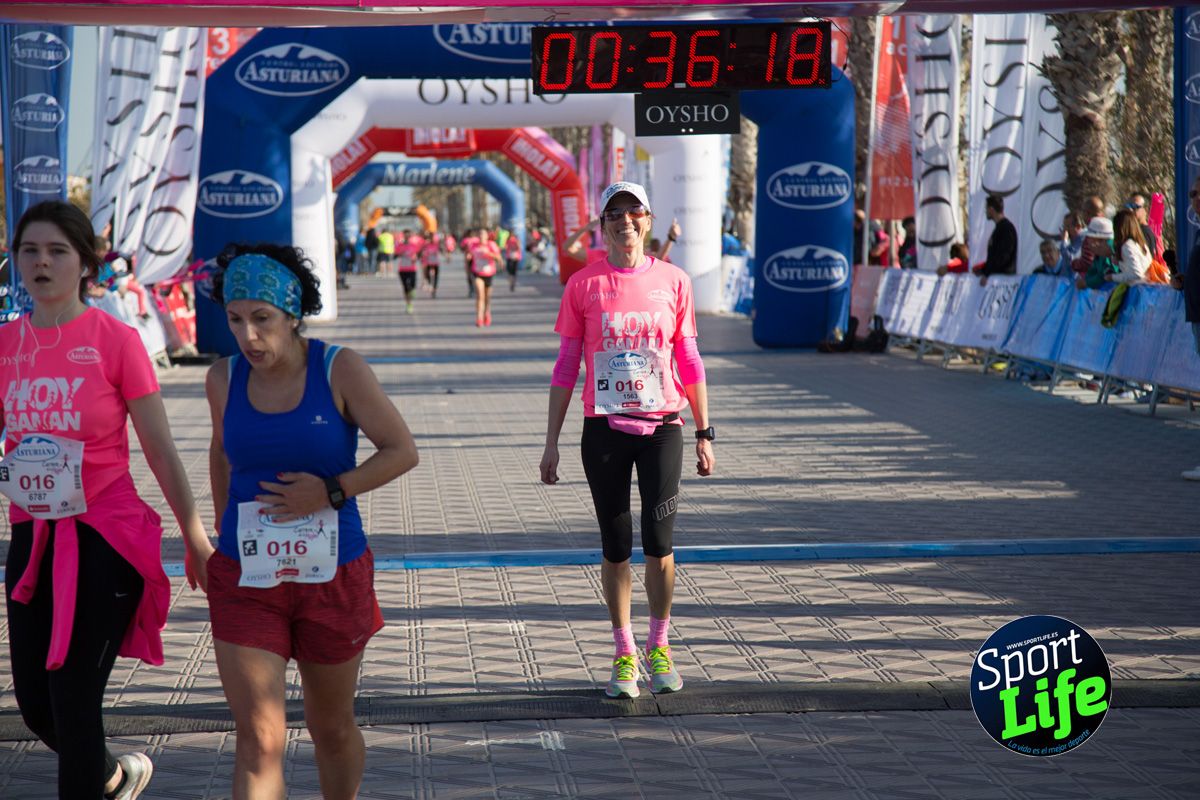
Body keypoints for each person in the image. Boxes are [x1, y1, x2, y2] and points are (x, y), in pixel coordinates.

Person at [2, 200, 213, 799]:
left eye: (57, 252)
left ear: (86, 264)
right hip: (32, 539)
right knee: (36, 705)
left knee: (73, 697)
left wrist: (194, 538)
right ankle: (115, 777)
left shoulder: (115, 340)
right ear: (15, 260)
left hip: (105, 537)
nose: (41, 263)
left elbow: (162, 451)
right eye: (29, 251)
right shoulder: (4, 345)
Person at [205, 243, 419, 798]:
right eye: (235, 319)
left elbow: (400, 450)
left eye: (262, 319)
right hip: (248, 581)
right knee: (259, 737)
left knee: (331, 729)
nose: (248, 336)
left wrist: (330, 490)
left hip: (333, 575)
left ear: (293, 315)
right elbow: (222, 453)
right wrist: (218, 538)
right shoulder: (223, 378)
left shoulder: (339, 367)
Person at [539, 181, 714, 700]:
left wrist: (705, 432)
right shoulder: (584, 285)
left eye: (633, 212)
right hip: (605, 430)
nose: (625, 221)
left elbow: (690, 358)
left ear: (648, 220)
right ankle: (624, 654)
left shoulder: (674, 281)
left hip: (664, 428)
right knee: (616, 548)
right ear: (604, 226)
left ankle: (660, 647)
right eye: (614, 214)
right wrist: (551, 442)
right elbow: (567, 365)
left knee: (659, 546)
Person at [973, 194, 1017, 285]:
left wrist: (987, 273)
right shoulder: (999, 228)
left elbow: (1003, 256)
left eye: (986, 209)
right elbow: (994, 257)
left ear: (991, 210)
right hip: (997, 279)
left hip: (1003, 282)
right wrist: (983, 270)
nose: (986, 212)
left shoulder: (1006, 228)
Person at [1103, 209, 1152, 285]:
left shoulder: (1128, 246)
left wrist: (1112, 277)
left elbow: (1136, 274)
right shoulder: (1141, 244)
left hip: (1138, 290)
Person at [470, 229, 501, 326]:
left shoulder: (491, 245)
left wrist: (488, 253)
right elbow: (469, 255)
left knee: (487, 297)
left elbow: (498, 257)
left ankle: (487, 312)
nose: (481, 236)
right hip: (477, 273)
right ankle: (479, 318)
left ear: (487, 236)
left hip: (489, 273)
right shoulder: (474, 245)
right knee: (480, 295)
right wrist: (468, 257)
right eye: (479, 234)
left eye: (483, 234)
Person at [395, 228, 419, 314]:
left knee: (412, 286)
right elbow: (395, 255)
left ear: (410, 236)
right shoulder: (399, 245)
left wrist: (415, 258)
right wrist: (400, 253)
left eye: (408, 235)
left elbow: (417, 256)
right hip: (402, 269)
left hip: (412, 269)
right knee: (405, 288)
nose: (407, 236)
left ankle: (412, 292)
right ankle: (409, 305)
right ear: (403, 235)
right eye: (405, 234)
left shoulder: (414, 245)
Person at [420, 232, 440, 299]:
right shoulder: (425, 245)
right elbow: (421, 253)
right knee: (428, 276)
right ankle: (429, 285)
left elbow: (441, 250)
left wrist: (447, 256)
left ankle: (434, 290)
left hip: (435, 263)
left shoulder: (436, 244)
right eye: (430, 238)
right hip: (428, 263)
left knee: (436, 277)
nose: (431, 239)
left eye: (432, 238)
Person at [503, 227, 523, 292]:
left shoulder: (516, 239)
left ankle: (513, 284)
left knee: (514, 272)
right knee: (509, 272)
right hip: (509, 257)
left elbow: (519, 248)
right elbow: (505, 247)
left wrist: (516, 245)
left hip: (515, 257)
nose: (511, 234)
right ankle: (511, 283)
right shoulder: (508, 239)